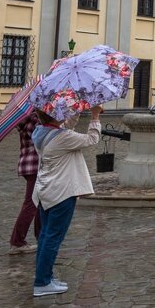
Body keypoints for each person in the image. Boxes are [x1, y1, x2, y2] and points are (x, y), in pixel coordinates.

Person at [31, 105, 101, 297]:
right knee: (53, 237)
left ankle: (44, 276)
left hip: (45, 190)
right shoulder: (62, 138)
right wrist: (94, 116)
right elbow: (91, 139)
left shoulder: (41, 132)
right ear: (56, 116)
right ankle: (42, 282)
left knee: (46, 235)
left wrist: (79, 108)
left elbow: (65, 127)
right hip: (61, 193)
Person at [8, 110, 42, 254]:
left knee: (40, 202)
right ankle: (17, 242)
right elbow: (43, 140)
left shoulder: (26, 118)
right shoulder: (35, 120)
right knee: (31, 204)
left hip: (27, 164)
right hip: (35, 165)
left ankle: (41, 237)